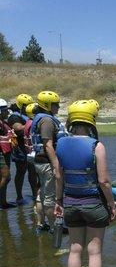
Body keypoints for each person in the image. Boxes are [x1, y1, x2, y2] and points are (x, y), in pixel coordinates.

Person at [54, 99, 116, 267]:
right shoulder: (96, 146)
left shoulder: (60, 143)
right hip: (93, 204)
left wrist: (58, 201)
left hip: (70, 204)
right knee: (94, 252)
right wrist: (111, 205)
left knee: (74, 249)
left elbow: (58, 176)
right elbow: (104, 181)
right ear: (92, 120)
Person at [30, 91, 68, 231]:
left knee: (43, 193)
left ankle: (41, 223)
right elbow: (48, 144)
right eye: (55, 104)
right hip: (47, 162)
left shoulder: (40, 118)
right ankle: (54, 227)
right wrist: (56, 165)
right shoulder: (47, 121)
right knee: (50, 196)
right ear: (47, 105)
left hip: (40, 162)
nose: (58, 107)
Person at [7, 94, 39, 204]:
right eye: (26, 105)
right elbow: (18, 128)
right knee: (21, 172)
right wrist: (31, 123)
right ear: (21, 106)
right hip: (20, 149)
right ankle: (19, 196)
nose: (28, 107)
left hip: (30, 148)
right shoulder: (14, 117)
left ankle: (35, 194)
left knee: (33, 172)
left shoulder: (28, 115)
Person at [0, 99, 15, 208]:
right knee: (6, 177)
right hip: (1, 153)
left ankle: (3, 202)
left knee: (3, 178)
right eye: (5, 110)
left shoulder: (3, 122)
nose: (7, 112)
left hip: (6, 153)